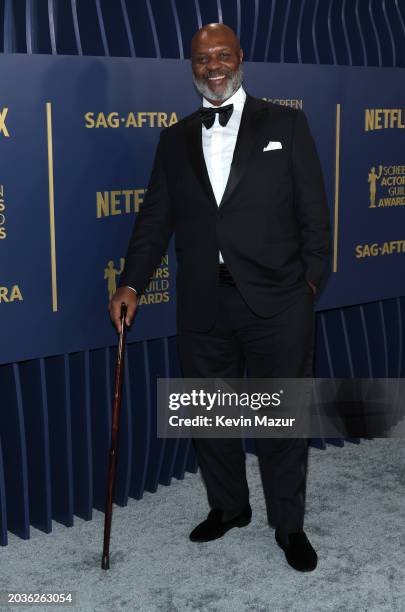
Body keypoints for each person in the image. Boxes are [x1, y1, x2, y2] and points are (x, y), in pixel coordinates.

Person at [109, 23, 331, 572]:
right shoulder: (174, 138)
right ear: (191, 66)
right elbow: (154, 220)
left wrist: (308, 285)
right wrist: (132, 282)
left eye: (222, 55)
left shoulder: (287, 123)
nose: (213, 66)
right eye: (201, 58)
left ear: (240, 58)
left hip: (278, 302)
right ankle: (229, 508)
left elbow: (316, 216)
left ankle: (289, 525)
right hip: (204, 302)